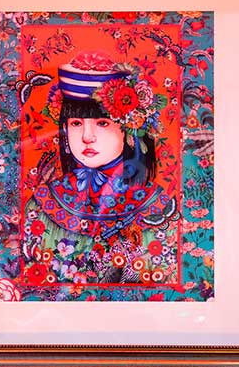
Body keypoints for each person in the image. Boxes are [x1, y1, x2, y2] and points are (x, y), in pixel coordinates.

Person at [21, 51, 179, 287]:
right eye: (76, 123)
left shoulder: (156, 208)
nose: (87, 136)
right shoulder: (44, 203)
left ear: (129, 130)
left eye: (102, 123)